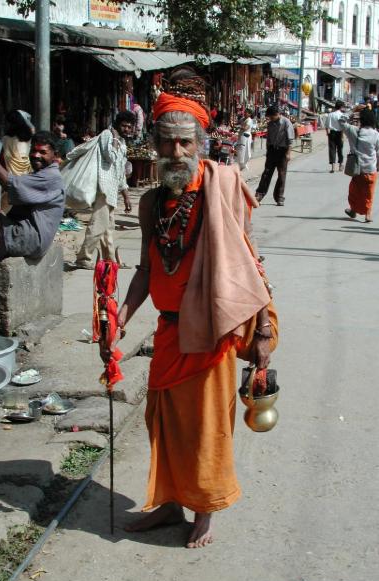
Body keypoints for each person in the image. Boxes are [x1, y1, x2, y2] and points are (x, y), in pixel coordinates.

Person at [105, 70, 278, 548]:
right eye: (166, 144)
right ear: (154, 145)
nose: (176, 154)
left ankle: (204, 510)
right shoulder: (150, 204)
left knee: (205, 427)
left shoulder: (221, 187)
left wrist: (262, 329)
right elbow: (145, 269)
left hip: (211, 334)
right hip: (169, 331)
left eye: (185, 143)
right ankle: (169, 503)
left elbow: (250, 262)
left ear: (200, 143)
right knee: (163, 422)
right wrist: (121, 315)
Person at [0, 131, 64, 276]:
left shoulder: (51, 177)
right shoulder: (41, 174)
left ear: (55, 155)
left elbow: (8, 183)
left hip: (31, 238)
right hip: (29, 234)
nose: (36, 155)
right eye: (34, 150)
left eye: (43, 152)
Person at [74, 111, 135, 269]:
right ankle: (83, 258)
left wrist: (126, 195)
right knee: (98, 224)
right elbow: (110, 156)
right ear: (117, 124)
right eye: (124, 126)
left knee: (108, 227)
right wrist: (114, 139)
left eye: (129, 127)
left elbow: (120, 172)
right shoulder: (108, 135)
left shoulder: (122, 142)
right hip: (103, 188)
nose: (127, 129)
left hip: (112, 190)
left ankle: (110, 259)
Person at [340, 108, 379, 223]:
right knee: (369, 192)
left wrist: (352, 110)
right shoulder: (376, 134)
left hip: (357, 168)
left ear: (361, 120)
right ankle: (368, 214)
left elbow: (341, 121)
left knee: (354, 190)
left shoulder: (353, 131)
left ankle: (353, 210)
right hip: (371, 168)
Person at [255, 105, 294, 206]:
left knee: (281, 175)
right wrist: (268, 151)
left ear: (277, 114)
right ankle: (259, 194)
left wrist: (288, 153)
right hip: (272, 151)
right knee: (266, 174)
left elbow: (290, 140)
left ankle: (279, 197)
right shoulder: (270, 124)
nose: (270, 119)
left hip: (282, 151)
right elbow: (268, 138)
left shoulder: (286, 123)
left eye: (272, 117)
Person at [325, 100, 345, 173]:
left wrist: (327, 133)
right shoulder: (342, 115)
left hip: (332, 133)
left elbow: (326, 126)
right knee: (340, 149)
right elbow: (343, 126)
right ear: (341, 107)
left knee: (332, 149)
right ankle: (340, 165)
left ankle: (333, 167)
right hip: (339, 133)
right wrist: (342, 136)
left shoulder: (330, 114)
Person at [236, 108, 253, 174]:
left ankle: (244, 163)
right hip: (241, 136)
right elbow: (237, 123)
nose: (245, 113)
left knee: (245, 149)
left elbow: (246, 128)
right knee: (240, 149)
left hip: (246, 136)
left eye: (246, 112)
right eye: (245, 112)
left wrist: (239, 126)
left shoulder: (249, 120)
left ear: (249, 114)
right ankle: (240, 163)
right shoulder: (242, 119)